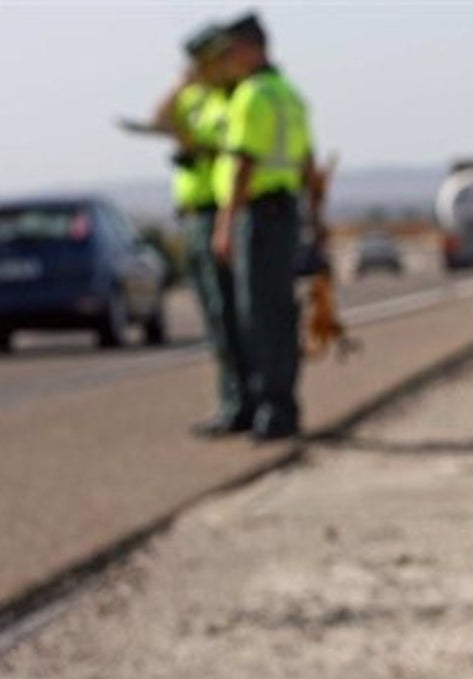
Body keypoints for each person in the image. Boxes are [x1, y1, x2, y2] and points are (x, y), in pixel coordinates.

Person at [212, 12, 321, 441]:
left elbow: (243, 163)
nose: (229, 61)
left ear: (250, 48)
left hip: (258, 214)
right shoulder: (289, 94)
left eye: (231, 51)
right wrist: (314, 216)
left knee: (257, 315)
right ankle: (282, 405)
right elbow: (309, 163)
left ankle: (270, 409)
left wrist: (225, 224)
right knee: (279, 311)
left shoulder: (252, 95)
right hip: (285, 212)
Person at [152, 23, 254, 437]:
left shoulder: (227, 99)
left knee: (228, 314)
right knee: (216, 317)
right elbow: (158, 119)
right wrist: (181, 84)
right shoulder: (195, 97)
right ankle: (234, 400)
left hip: (217, 211)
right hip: (193, 214)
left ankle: (241, 403)